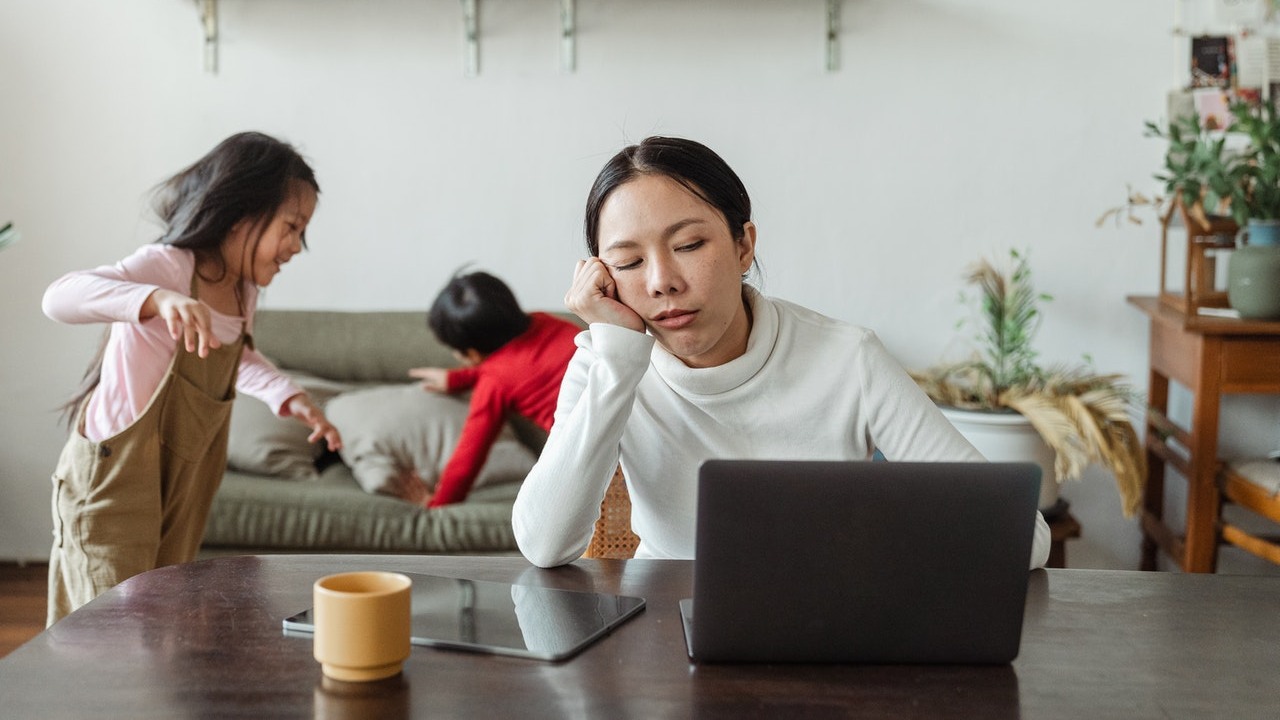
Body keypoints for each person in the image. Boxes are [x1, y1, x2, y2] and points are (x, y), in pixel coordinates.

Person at [512, 136, 1051, 569]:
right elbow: (544, 545)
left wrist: (870, 550)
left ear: (744, 245)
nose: (661, 282)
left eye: (689, 245)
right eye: (628, 263)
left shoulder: (847, 359)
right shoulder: (608, 362)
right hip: (665, 638)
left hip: (826, 628)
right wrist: (618, 359)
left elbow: (1023, 538)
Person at [42, 131, 343, 625]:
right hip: (113, 479)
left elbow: (235, 357)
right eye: (291, 227)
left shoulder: (241, 290)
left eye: (302, 233)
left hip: (182, 483)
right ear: (240, 216)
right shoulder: (166, 267)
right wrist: (155, 299)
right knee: (106, 627)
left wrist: (290, 397)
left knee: (159, 618)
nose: (296, 246)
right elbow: (58, 298)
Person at [401, 270, 580, 508]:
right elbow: (525, 364)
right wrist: (458, 379)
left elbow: (468, 457)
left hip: (585, 455)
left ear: (472, 353)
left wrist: (438, 503)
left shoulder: (494, 383)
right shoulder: (545, 321)